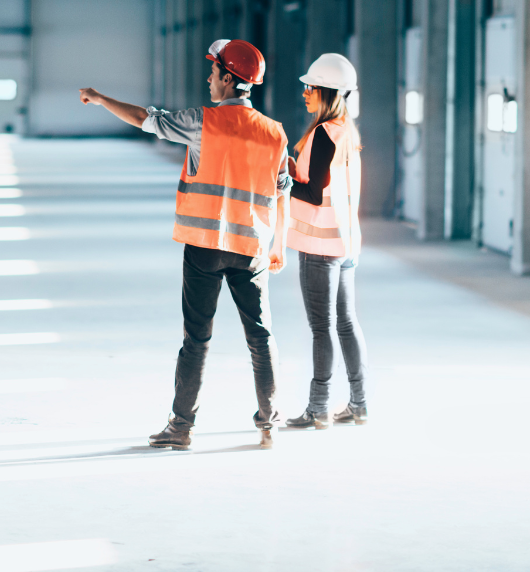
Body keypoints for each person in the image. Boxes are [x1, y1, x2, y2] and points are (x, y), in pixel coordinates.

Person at [78, 39, 292, 450]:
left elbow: (146, 119)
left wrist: (102, 98)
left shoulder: (203, 121)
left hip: (204, 246)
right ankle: (269, 424)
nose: (209, 80)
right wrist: (278, 245)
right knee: (261, 336)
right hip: (252, 249)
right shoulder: (275, 134)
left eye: (213, 74)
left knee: (197, 338)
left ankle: (181, 428)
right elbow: (282, 190)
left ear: (229, 80)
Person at [282, 53, 369, 430]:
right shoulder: (347, 132)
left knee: (322, 327)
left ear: (327, 92)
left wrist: (283, 177)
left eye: (310, 87)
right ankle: (359, 404)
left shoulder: (321, 133)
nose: (304, 93)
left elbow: (312, 194)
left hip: (319, 247)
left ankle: (318, 408)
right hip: (346, 243)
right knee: (346, 323)